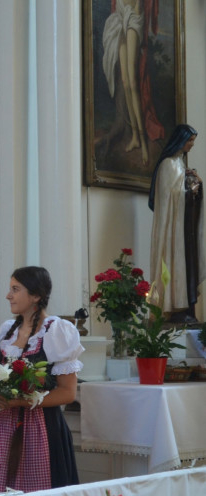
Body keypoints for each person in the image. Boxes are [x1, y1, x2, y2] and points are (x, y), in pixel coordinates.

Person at [0, 266, 82, 494]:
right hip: (3, 429)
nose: (8, 295)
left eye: (15, 289)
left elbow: (67, 393)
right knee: (0, 495)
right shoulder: (8, 331)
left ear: (36, 296)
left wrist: (20, 401)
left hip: (40, 429)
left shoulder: (57, 331)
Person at [149, 124, 204, 322]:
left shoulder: (180, 164)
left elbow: (182, 191)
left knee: (188, 266)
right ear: (180, 141)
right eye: (189, 141)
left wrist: (197, 186)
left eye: (193, 141)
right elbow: (168, 197)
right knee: (174, 265)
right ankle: (174, 308)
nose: (191, 145)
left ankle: (187, 309)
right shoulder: (168, 165)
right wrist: (189, 191)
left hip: (185, 228)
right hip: (173, 231)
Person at [101, 0, 163, 165]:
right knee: (125, 82)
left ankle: (143, 142)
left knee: (133, 83)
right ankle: (135, 136)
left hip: (134, 14)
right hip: (121, 13)